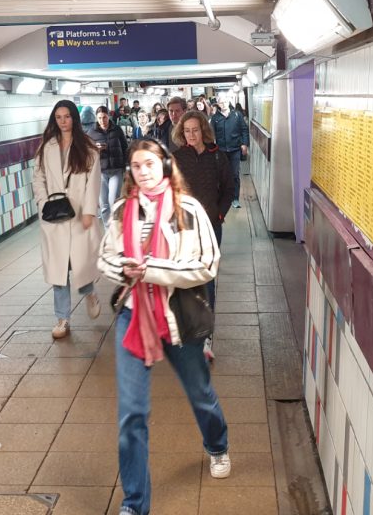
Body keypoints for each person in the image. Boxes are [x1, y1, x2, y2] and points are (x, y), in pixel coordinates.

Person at [98, 139, 230, 515]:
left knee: (200, 393)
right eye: (136, 166)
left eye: (150, 164)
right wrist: (124, 271)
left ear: (166, 167)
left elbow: (207, 264)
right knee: (131, 413)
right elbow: (106, 259)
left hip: (178, 316)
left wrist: (151, 270)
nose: (143, 171)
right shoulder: (124, 210)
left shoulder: (188, 210)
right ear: (130, 172)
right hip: (133, 315)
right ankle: (135, 505)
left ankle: (217, 444)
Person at [32, 100, 103, 339]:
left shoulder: (88, 148)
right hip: (54, 216)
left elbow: (93, 182)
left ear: (74, 118)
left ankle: (90, 292)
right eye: (59, 117)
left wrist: (89, 212)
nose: (63, 121)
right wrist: (43, 202)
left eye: (67, 116)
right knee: (59, 270)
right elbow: (38, 177)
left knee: (80, 265)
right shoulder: (46, 147)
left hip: (79, 213)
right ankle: (62, 318)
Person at [171, 110, 234, 362]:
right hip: (185, 229)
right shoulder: (176, 158)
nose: (191, 135)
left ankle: (206, 336)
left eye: (195, 130)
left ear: (203, 130)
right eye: (187, 131)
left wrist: (219, 214)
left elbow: (230, 187)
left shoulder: (216, 156)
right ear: (181, 133)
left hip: (210, 227)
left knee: (207, 279)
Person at [87, 105, 130, 226]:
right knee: (103, 203)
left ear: (108, 116)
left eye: (104, 117)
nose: (102, 121)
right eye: (99, 118)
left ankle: (117, 225)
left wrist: (127, 167)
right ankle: (108, 229)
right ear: (96, 118)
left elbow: (125, 148)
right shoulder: (91, 132)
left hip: (116, 170)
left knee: (113, 200)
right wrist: (96, 149)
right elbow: (87, 153)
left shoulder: (117, 130)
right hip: (100, 171)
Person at [211, 100, 249, 209]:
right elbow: (211, 133)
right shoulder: (215, 118)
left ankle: (235, 198)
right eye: (221, 102)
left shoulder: (237, 115)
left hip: (235, 149)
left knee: (235, 174)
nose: (223, 104)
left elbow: (244, 130)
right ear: (218, 104)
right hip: (220, 150)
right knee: (221, 175)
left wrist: (244, 144)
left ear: (228, 102)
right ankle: (223, 197)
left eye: (225, 102)